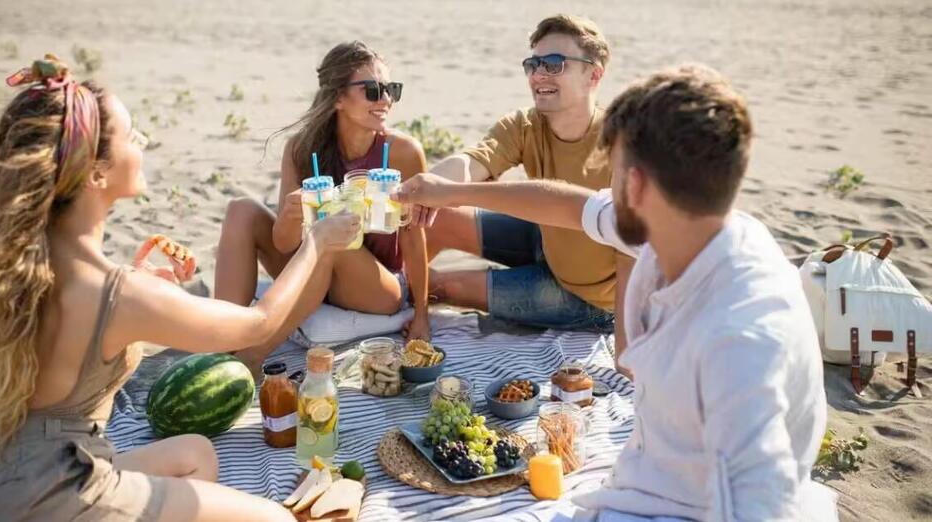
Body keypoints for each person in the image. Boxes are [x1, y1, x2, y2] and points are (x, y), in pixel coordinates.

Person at [394, 65, 829, 520]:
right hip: (641, 482)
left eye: (612, 172)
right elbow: (564, 203)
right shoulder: (692, 225)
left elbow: (763, 504)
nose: (603, 186)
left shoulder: (739, 338)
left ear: (636, 185)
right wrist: (451, 191)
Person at [0, 56, 359, 522]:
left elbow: (84, 325)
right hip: (54, 494)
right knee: (278, 519)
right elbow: (257, 325)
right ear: (96, 173)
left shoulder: (30, 261)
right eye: (132, 137)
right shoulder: (117, 292)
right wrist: (316, 245)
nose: (144, 145)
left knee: (195, 454)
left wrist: (142, 283)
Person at [414, 14, 634, 362]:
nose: (538, 75)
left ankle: (385, 296)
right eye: (533, 64)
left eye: (553, 64)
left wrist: (626, 352)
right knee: (436, 219)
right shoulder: (525, 124)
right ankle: (377, 289)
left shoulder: (621, 147)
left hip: (588, 296)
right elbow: (474, 162)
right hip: (544, 238)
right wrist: (423, 189)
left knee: (441, 287)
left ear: (594, 75)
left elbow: (631, 262)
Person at [215, 41, 430, 371]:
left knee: (334, 235)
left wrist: (421, 316)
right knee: (242, 209)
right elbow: (284, 243)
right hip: (312, 267)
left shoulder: (402, 152)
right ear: (339, 97)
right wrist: (289, 215)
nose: (385, 99)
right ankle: (223, 342)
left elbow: (415, 239)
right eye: (373, 90)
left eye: (391, 89)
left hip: (376, 287)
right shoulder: (302, 149)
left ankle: (253, 356)